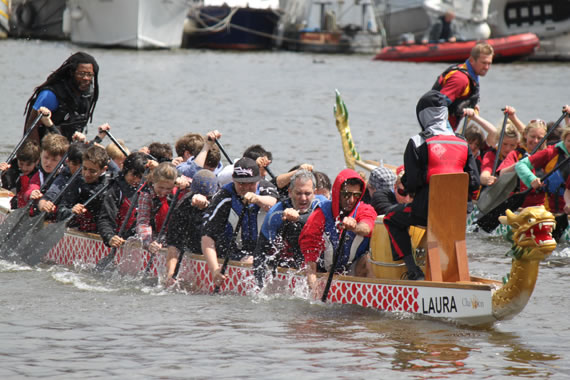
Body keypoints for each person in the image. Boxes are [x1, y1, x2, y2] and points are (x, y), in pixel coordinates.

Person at [383, 90, 479, 280]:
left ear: (422, 115)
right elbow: (474, 182)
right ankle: (456, 273)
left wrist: (404, 182)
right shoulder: (462, 141)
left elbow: (412, 184)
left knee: (391, 218)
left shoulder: (417, 142)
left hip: (427, 211)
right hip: (459, 213)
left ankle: (413, 270)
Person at [201, 157, 279, 286]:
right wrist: (215, 270)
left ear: (259, 179)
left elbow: (273, 203)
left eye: (251, 183)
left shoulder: (267, 188)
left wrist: (257, 199)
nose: (246, 187)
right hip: (233, 252)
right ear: (233, 179)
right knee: (249, 260)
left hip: (263, 251)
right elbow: (207, 237)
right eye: (241, 183)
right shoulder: (224, 196)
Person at [299, 168, 377, 295]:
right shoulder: (320, 214)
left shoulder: (365, 209)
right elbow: (310, 257)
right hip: (322, 271)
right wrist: (314, 290)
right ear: (337, 193)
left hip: (352, 269)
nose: (351, 200)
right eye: (346, 195)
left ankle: (372, 300)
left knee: (368, 261)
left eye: (356, 195)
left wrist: (354, 227)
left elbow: (368, 228)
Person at [254, 169, 326, 286]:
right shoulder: (276, 213)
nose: (303, 198)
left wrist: (298, 218)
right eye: (298, 193)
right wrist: (259, 288)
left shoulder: (323, 204)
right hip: (290, 261)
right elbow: (260, 253)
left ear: (315, 192)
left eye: (307, 194)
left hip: (320, 260)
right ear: (290, 192)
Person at [23, 52, 99, 145]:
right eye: (81, 74)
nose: (86, 78)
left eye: (89, 74)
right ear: (71, 73)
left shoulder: (88, 94)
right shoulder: (50, 95)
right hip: (47, 148)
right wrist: (37, 156)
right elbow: (31, 125)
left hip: (69, 148)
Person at [164, 169, 219, 282]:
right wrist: (170, 275)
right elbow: (173, 243)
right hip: (192, 245)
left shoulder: (220, 202)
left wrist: (206, 207)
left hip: (216, 247)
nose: (202, 197)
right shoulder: (184, 205)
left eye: (207, 196)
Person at [432, 42, 494, 130]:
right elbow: (436, 106)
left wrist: (470, 106)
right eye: (484, 63)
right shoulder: (460, 79)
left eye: (489, 63)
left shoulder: (471, 76)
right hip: (440, 132)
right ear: (472, 60)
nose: (487, 67)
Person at [97, 152, 148, 248]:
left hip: (138, 241)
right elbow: (105, 219)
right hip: (117, 240)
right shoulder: (116, 191)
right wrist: (110, 237)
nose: (137, 180)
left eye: (140, 177)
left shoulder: (149, 190)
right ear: (125, 170)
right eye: (133, 175)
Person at [136, 162, 188, 254]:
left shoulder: (180, 188)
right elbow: (143, 223)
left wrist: (187, 183)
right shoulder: (146, 194)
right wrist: (149, 243)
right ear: (153, 181)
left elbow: (198, 183)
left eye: (168, 189)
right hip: (156, 237)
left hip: (176, 236)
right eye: (160, 187)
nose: (163, 192)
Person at [55, 145, 109, 232]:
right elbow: (60, 212)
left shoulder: (109, 187)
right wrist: (71, 211)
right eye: (84, 168)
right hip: (77, 233)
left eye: (92, 171)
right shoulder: (76, 182)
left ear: (103, 169)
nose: (87, 174)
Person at [37, 142, 87, 213]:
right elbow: (47, 197)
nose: (79, 169)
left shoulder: (97, 174)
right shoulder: (63, 178)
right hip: (69, 213)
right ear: (67, 162)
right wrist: (43, 205)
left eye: (82, 165)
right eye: (75, 164)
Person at [25, 133, 70, 205]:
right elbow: (32, 187)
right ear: (40, 154)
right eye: (46, 157)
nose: (48, 163)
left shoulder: (66, 174)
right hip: (42, 209)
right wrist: (31, 193)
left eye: (54, 160)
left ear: (63, 160)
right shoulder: (39, 175)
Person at [0, 141, 40, 210]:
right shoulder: (12, 167)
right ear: (17, 159)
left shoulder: (39, 173)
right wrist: (4, 173)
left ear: (37, 162)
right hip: (14, 203)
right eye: (21, 164)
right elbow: (8, 188)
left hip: (30, 204)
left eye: (28, 165)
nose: (24, 168)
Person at [479, 122, 519, 186]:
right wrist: (488, 179)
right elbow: (484, 175)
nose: (508, 149)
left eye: (512, 145)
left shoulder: (520, 154)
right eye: (505, 144)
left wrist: (513, 117)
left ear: (517, 144)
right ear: (498, 141)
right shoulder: (491, 154)